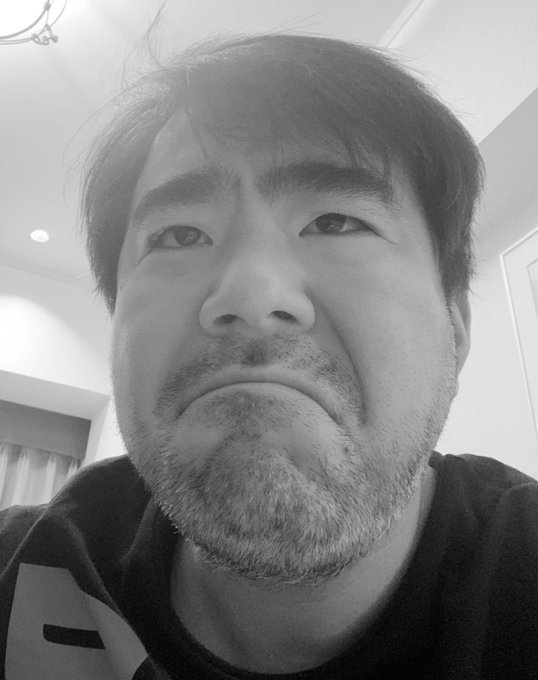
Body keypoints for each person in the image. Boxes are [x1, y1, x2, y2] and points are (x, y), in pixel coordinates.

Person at [1, 33, 537, 680]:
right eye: (179, 235)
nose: (250, 294)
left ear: (455, 326)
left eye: (335, 222)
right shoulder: (21, 570)